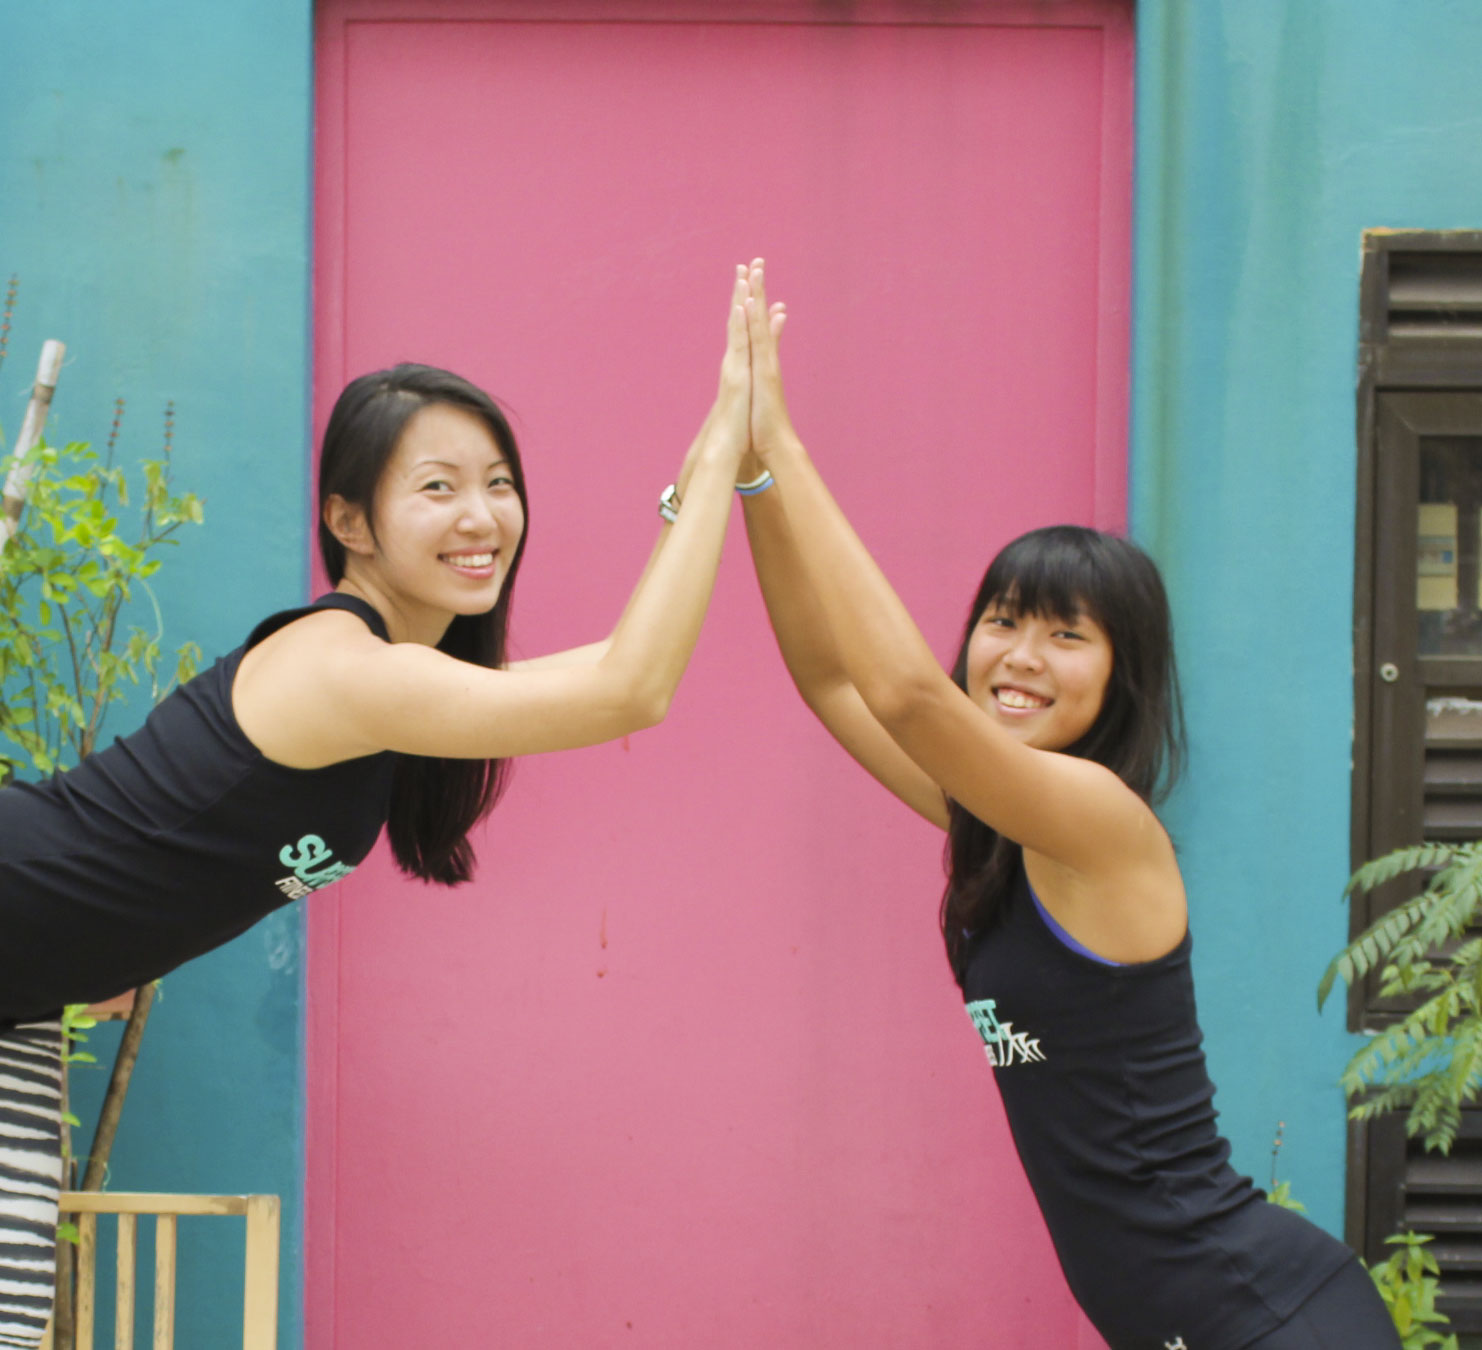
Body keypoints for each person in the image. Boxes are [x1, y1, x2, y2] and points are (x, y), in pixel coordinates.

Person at [0, 268, 755, 1349]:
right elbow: (631, 689)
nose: (483, 515)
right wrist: (725, 460)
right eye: (439, 487)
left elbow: (615, 662)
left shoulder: (394, 681)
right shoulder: (345, 666)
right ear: (348, 519)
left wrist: (114, 941)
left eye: (499, 482)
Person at [734, 261, 1399, 1350]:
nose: (1018, 658)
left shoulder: (1098, 823)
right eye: (1002, 620)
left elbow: (904, 689)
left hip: (1270, 1321)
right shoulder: (995, 826)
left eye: (1065, 635)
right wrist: (753, 476)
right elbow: (832, 681)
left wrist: (789, 440)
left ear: (1119, 675)